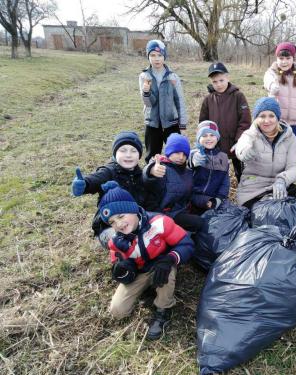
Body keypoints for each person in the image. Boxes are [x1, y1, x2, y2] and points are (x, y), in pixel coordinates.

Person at [99, 181, 194, 339]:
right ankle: (147, 289)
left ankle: (163, 309)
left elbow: (187, 244)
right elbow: (116, 260)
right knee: (118, 311)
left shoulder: (160, 222)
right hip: (140, 271)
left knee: (165, 273)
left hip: (162, 264)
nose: (119, 224)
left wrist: (171, 258)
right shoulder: (116, 241)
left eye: (121, 216)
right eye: (112, 222)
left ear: (134, 209)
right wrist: (121, 268)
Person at [71, 131, 148, 249]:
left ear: (139, 155)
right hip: (110, 225)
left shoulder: (141, 174)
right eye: (123, 150)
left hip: (133, 221)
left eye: (133, 151)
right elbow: (95, 179)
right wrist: (84, 184)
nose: (128, 155)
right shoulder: (108, 171)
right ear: (115, 153)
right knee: (123, 242)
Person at [263, 41, 296, 189]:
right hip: (278, 125)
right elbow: (267, 80)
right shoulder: (272, 73)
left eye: (288, 58)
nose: (284, 62)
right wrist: (272, 87)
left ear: (293, 59)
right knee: (277, 159)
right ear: (276, 59)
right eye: (281, 58)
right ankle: (277, 189)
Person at [235, 97, 296, 209]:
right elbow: (241, 146)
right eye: (262, 116)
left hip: (278, 186)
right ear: (256, 118)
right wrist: (244, 151)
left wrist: (282, 180)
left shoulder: (289, 137)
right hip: (252, 190)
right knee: (261, 212)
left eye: (271, 116)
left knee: (294, 194)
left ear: (278, 118)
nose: (267, 121)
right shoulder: (250, 134)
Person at [199, 62, 251, 182]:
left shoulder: (238, 96)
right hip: (216, 144)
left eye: (221, 80)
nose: (219, 84)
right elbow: (203, 123)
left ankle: (243, 192)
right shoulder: (208, 100)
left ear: (227, 77)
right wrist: (208, 140)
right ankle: (220, 195)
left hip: (235, 144)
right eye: (215, 82)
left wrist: (239, 140)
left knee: (241, 173)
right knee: (218, 173)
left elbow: (245, 120)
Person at [143, 133, 204, 232]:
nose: (181, 157)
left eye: (184, 154)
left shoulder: (188, 172)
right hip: (165, 215)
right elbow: (147, 180)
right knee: (199, 223)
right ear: (169, 152)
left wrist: (207, 201)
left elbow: (191, 194)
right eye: (177, 152)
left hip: (183, 210)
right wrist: (150, 170)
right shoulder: (161, 168)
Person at [139, 39, 188, 163]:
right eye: (152, 55)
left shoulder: (172, 77)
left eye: (160, 55)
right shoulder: (144, 76)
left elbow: (180, 101)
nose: (156, 59)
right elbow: (148, 103)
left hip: (171, 123)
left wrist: (182, 125)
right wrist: (146, 92)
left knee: (177, 154)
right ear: (148, 56)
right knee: (152, 157)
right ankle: (153, 179)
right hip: (152, 123)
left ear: (164, 56)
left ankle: (177, 179)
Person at [188, 121, 230, 214]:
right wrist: (192, 161)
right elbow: (185, 171)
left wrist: (220, 197)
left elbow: (225, 182)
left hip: (214, 198)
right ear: (199, 138)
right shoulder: (193, 154)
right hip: (194, 196)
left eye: (212, 135)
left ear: (217, 138)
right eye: (204, 136)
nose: (209, 138)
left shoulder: (223, 157)